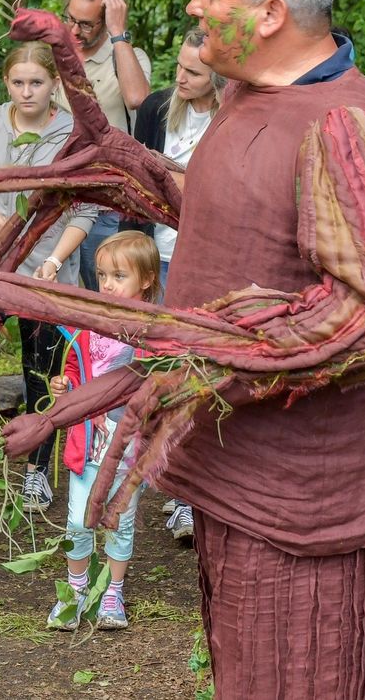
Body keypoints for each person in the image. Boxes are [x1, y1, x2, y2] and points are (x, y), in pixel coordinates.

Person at [155, 0, 365, 697]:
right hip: (232, 478)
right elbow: (258, 221)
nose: (193, 7)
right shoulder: (253, 97)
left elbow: (356, 311)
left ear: (271, 12)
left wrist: (212, 362)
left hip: (299, 517)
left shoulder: (340, 124)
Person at [0, 41, 96, 512]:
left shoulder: (71, 133)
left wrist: (56, 260)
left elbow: (86, 209)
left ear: (54, 84)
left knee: (43, 370)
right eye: (17, 83)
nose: (26, 91)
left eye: (35, 82)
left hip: (46, 269)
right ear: (5, 83)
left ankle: (38, 471)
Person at [125, 27, 224, 543]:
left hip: (207, 265)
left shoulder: (234, 118)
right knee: (150, 373)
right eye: (180, 67)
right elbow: (135, 185)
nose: (181, 78)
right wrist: (126, 259)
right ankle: (142, 477)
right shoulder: (158, 109)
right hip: (156, 259)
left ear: (219, 78)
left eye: (194, 73)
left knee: (197, 378)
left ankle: (189, 496)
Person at [46, 231, 159, 632]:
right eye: (101, 275)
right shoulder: (92, 322)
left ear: (145, 280)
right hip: (87, 443)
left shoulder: (152, 330)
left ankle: (112, 592)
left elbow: (156, 384)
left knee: (118, 519)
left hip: (128, 445)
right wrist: (65, 385)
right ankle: (75, 591)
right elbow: (77, 366)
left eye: (118, 276)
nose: (107, 284)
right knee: (78, 519)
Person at [61, 0, 152, 291]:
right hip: (58, 206)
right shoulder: (58, 57)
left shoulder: (127, 56)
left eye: (86, 25)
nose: (74, 31)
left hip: (104, 212)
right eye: (69, 19)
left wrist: (118, 34)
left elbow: (138, 98)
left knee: (109, 306)